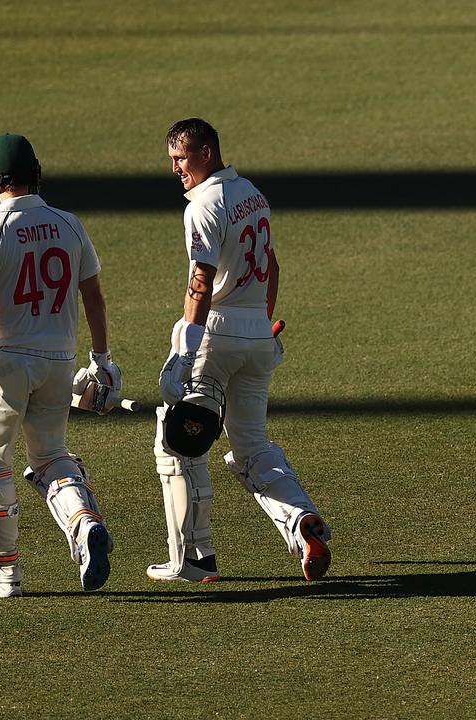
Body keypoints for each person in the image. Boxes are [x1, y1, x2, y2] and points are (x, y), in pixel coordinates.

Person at [0, 134, 122, 598]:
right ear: (36, 173)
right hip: (58, 362)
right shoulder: (69, 225)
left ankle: (3, 574)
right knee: (51, 457)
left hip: (7, 362)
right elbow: (93, 294)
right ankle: (83, 521)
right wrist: (103, 360)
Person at [149, 117, 331, 583]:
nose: (176, 169)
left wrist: (186, 352)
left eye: (182, 158)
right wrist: (263, 328)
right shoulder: (253, 193)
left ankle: (194, 558)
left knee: (179, 442)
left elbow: (201, 284)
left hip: (217, 339)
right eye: (171, 160)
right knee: (250, 447)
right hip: (256, 339)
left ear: (207, 152)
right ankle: (301, 522)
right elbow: (271, 265)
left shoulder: (204, 205)